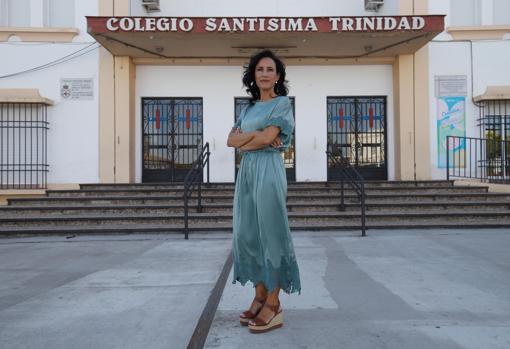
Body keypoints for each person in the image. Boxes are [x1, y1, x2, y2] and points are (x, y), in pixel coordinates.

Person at [226, 49, 301, 334]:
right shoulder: (247, 109)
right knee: (247, 233)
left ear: (278, 76)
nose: (265, 74)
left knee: (271, 232)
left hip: (269, 170)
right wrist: (250, 140)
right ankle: (258, 295)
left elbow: (270, 138)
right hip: (246, 172)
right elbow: (230, 140)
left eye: (270, 69)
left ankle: (274, 302)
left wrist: (247, 141)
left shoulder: (281, 104)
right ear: (253, 76)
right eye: (260, 69)